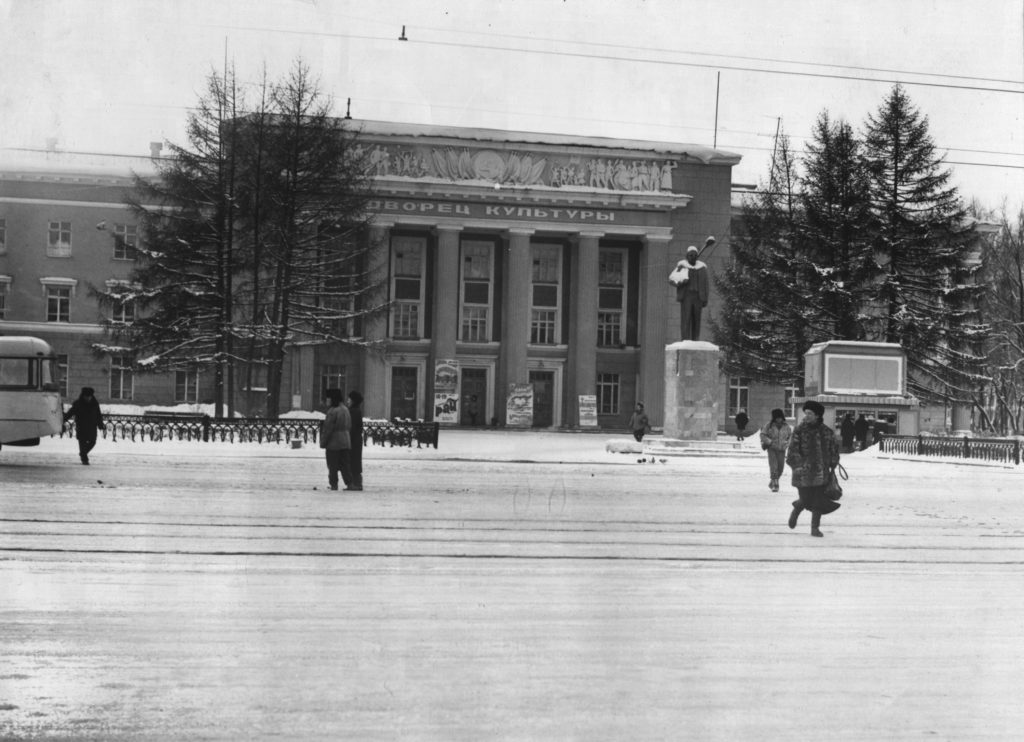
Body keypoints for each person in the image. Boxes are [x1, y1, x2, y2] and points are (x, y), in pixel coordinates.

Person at [786, 400, 841, 537]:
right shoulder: (799, 430)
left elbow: (834, 450)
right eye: (806, 413)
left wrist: (833, 462)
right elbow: (792, 451)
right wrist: (799, 466)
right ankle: (797, 509)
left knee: (818, 501)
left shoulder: (827, 432)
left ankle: (814, 528)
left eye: (810, 413)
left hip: (821, 473)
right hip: (803, 473)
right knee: (805, 500)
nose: (807, 416)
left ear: (817, 415)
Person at [670, 245, 709, 341]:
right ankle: (685, 339)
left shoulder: (702, 268)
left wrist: (705, 299)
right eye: (691, 255)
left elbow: (706, 284)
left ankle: (696, 339)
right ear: (687, 256)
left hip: (698, 297)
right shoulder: (682, 266)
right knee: (686, 319)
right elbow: (672, 279)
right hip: (687, 296)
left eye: (695, 255)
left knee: (697, 320)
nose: (693, 257)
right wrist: (682, 281)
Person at [320, 388, 353, 491]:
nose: (327, 400)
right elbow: (349, 425)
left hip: (334, 442)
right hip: (345, 440)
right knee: (345, 464)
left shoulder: (332, 411)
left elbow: (328, 429)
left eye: (328, 398)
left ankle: (334, 484)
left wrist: (323, 442)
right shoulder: (345, 409)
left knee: (332, 465)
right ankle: (349, 483)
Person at [63, 386, 104, 465]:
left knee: (93, 442)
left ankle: (83, 453)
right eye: (86, 396)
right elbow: (70, 413)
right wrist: (64, 419)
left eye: (89, 397)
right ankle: (84, 459)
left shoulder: (95, 404)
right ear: (83, 396)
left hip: (92, 426)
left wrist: (100, 425)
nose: (88, 398)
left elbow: (98, 415)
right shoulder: (78, 404)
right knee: (82, 443)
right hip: (81, 426)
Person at [759, 408, 792, 492]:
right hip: (772, 449)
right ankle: (775, 484)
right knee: (774, 466)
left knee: (780, 468)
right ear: (774, 418)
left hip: (782, 449)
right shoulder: (769, 425)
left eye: (780, 417)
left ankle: (772, 481)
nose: (778, 419)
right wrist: (769, 442)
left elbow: (790, 437)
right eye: (776, 417)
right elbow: (762, 435)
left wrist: (787, 443)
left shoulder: (786, 426)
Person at [346, 390, 364, 491]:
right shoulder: (356, 410)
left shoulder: (353, 411)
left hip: (353, 440)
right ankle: (356, 483)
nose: (347, 401)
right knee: (355, 462)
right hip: (356, 440)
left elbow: (351, 427)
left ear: (353, 400)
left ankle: (356, 484)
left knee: (353, 462)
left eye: (349, 399)